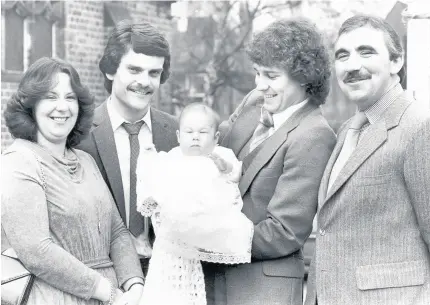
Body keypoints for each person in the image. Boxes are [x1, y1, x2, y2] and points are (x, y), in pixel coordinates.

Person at [208, 18, 337, 305]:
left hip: (262, 290)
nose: (259, 84)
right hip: (212, 282)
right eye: (256, 73)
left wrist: (208, 236)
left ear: (304, 77)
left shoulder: (314, 135)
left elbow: (284, 233)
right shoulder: (256, 103)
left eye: (271, 75)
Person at [305, 15, 430, 305]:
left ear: (396, 61)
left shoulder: (420, 127)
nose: (352, 65)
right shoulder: (347, 131)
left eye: (366, 52)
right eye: (342, 56)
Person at [1, 57, 144, 305]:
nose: (62, 107)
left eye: (70, 98)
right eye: (50, 97)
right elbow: (36, 251)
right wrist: (109, 293)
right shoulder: (19, 161)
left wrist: (134, 285)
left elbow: (117, 231)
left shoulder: (85, 160)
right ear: (30, 106)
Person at [77, 20, 178, 275]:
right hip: (101, 277)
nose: (144, 82)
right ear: (111, 70)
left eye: (154, 73)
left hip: (166, 278)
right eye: (134, 69)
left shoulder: (178, 134)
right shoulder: (79, 135)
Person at [136, 103, 253, 305]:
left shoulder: (220, 155)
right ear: (179, 136)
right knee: (168, 285)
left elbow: (233, 176)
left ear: (216, 138)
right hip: (175, 233)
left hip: (209, 226)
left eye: (203, 132)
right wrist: (148, 158)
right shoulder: (173, 158)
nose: (195, 137)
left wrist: (225, 168)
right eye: (189, 132)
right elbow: (155, 181)